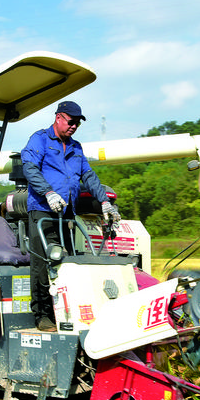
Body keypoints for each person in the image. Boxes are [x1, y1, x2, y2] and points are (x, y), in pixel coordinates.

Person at [21, 100, 119, 332]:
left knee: (68, 262)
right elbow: (30, 168)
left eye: (78, 123)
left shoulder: (76, 147)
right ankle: (42, 315)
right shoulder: (40, 139)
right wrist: (48, 192)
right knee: (44, 262)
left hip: (66, 212)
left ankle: (67, 311)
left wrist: (104, 201)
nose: (74, 126)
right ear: (59, 118)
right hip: (43, 210)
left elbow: (89, 175)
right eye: (71, 121)